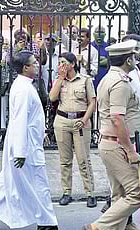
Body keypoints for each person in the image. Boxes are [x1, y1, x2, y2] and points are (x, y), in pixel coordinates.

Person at [0, 50, 67, 230]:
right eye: (34, 62)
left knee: (9, 180)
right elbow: (20, 120)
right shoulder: (23, 89)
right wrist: (21, 152)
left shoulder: (25, 86)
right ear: (25, 67)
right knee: (39, 185)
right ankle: (47, 226)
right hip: (25, 146)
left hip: (26, 142)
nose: (37, 64)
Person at [82, 40, 140, 230]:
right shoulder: (120, 83)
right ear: (128, 59)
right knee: (137, 194)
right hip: (118, 145)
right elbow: (118, 119)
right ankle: (96, 228)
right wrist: (130, 151)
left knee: (119, 196)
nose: (136, 61)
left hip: (110, 144)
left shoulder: (109, 78)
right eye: (135, 57)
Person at [49, 52, 97, 208]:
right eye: (59, 62)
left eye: (64, 62)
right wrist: (60, 79)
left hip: (80, 121)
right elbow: (52, 98)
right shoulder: (59, 80)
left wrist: (84, 120)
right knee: (65, 161)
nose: (61, 65)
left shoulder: (85, 80)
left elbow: (92, 102)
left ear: (72, 64)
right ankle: (66, 192)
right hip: (62, 121)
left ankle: (90, 193)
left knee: (83, 159)